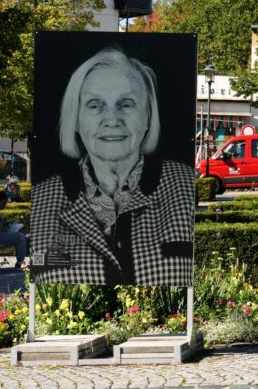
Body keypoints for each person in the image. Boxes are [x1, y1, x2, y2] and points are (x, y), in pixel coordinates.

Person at [30, 45, 194, 286]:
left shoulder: (184, 186)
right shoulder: (43, 199)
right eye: (94, 105)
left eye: (126, 104)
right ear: (76, 119)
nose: (111, 119)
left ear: (148, 116)